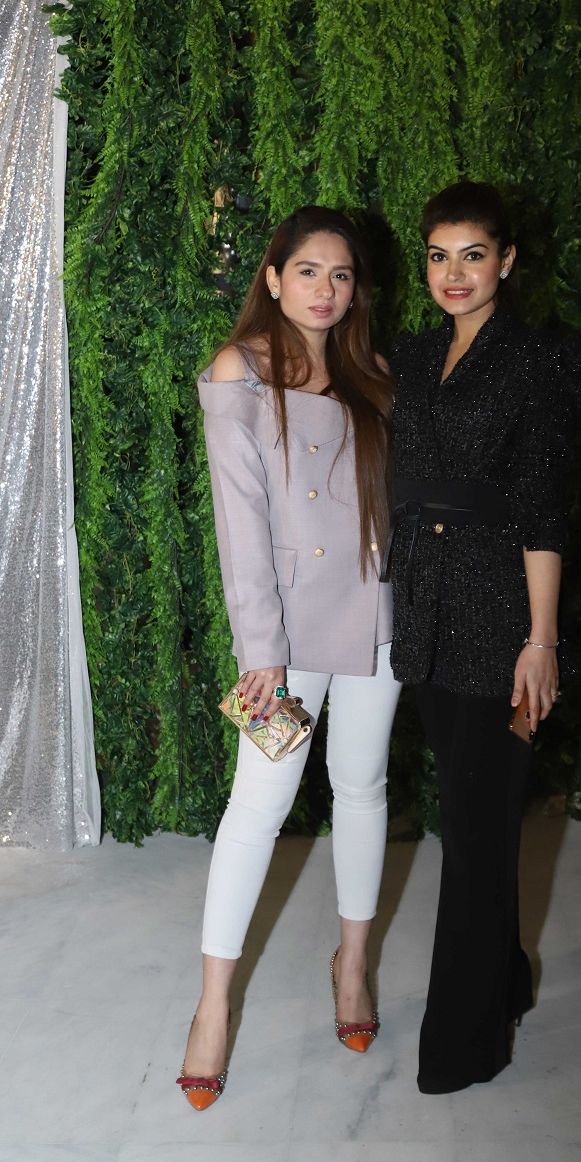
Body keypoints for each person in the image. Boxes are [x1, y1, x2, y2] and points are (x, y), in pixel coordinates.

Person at [179, 206, 400, 1110]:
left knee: (364, 785)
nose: (325, 289)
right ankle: (212, 1006)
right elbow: (241, 525)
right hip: (286, 635)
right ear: (272, 276)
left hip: (378, 617)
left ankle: (352, 963)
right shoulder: (239, 370)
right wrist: (260, 650)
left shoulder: (371, 374)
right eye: (308, 270)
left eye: (341, 275)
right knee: (257, 807)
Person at [386, 181, 581, 1094]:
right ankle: (505, 978)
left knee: (475, 834)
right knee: (468, 814)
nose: (454, 273)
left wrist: (540, 641)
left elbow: (544, 511)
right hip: (424, 611)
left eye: (473, 255)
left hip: (501, 615)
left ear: (506, 262)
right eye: (439, 256)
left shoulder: (537, 363)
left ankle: (464, 1044)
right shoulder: (412, 353)